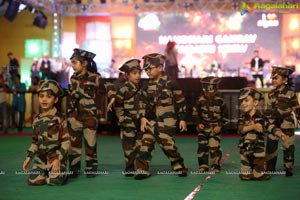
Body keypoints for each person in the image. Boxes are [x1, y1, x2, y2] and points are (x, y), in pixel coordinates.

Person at [135, 53, 188, 180]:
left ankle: (178, 165)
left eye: (150, 68)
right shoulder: (145, 85)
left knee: (168, 145)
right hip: (150, 121)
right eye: (145, 69)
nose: (147, 71)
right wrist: (142, 117)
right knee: (145, 145)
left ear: (159, 68)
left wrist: (183, 119)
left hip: (167, 121)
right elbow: (141, 101)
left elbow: (180, 101)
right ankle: (142, 170)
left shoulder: (171, 83)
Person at [22, 80, 69, 185]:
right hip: (41, 160)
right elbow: (34, 142)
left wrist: (58, 159)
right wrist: (29, 157)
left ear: (56, 99)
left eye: (48, 96)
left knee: (54, 181)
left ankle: (61, 172)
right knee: (33, 181)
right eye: (41, 96)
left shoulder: (60, 119)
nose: (44, 99)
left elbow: (66, 142)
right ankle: (45, 172)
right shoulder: (36, 120)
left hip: (56, 159)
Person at [67, 48, 101, 178]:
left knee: (90, 144)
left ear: (84, 63)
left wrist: (113, 97)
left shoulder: (95, 77)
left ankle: (91, 169)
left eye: (75, 62)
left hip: (89, 117)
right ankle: (74, 170)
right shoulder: (73, 78)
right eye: (72, 63)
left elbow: (107, 88)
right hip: (74, 117)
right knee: (74, 145)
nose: (73, 66)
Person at [265, 65, 300, 177]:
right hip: (274, 124)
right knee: (271, 147)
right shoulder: (271, 93)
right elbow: (269, 109)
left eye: (276, 78)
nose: (274, 80)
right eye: (273, 78)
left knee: (288, 146)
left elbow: (296, 108)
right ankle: (270, 168)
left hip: (287, 124)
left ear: (285, 80)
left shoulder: (290, 93)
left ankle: (288, 167)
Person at [114, 58, 146, 176]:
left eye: (139, 73)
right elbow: (118, 104)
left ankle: (140, 167)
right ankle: (129, 167)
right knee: (128, 146)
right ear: (127, 75)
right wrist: (120, 115)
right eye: (134, 73)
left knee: (140, 145)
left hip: (140, 120)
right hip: (128, 121)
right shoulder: (124, 89)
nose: (138, 76)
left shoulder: (142, 88)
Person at [195, 77, 229, 173]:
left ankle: (215, 166)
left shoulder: (221, 101)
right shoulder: (200, 101)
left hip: (215, 128)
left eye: (212, 92)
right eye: (207, 92)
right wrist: (198, 123)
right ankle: (203, 165)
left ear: (216, 90)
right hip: (203, 128)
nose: (209, 94)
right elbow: (195, 115)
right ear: (204, 91)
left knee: (214, 147)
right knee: (202, 147)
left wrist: (220, 126)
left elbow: (225, 117)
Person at [237, 87, 270, 180]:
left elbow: (269, 126)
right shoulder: (242, 117)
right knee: (245, 177)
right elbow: (240, 129)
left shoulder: (262, 117)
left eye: (246, 100)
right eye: (241, 101)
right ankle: (247, 171)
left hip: (258, 150)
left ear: (255, 103)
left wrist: (278, 132)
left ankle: (258, 170)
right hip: (245, 150)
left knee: (259, 176)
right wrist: (253, 126)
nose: (243, 103)